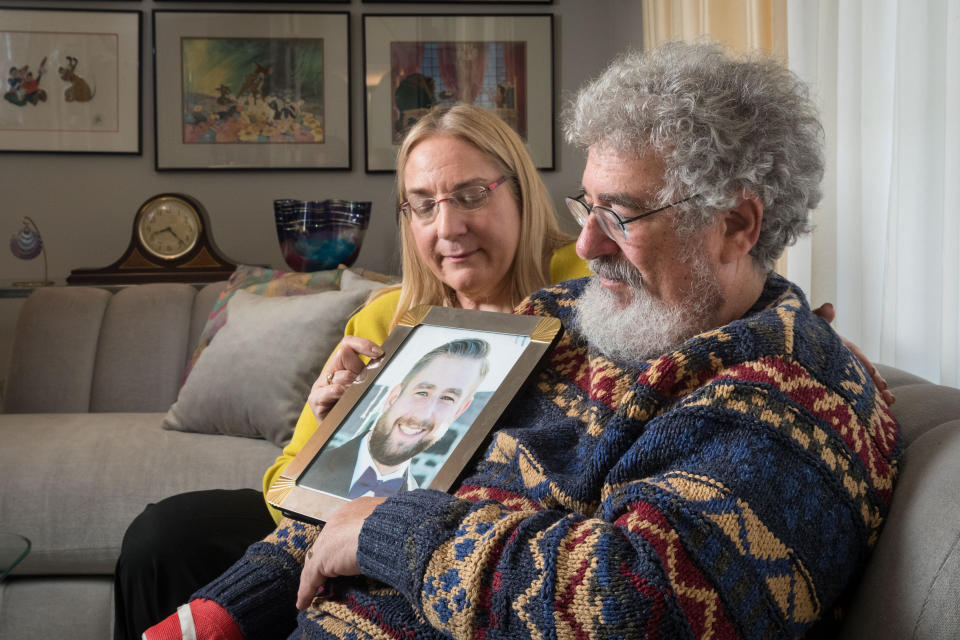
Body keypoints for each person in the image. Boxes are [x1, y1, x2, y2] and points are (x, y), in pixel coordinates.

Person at [144, 42, 901, 640]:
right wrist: (221, 612)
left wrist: (388, 535)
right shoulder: (561, 318)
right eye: (587, 204)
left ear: (738, 224)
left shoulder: (793, 400)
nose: (588, 241)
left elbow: (636, 604)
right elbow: (365, 495)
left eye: (623, 214)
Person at [113, 103, 590, 640]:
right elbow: (283, 488)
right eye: (423, 206)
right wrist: (331, 437)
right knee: (164, 537)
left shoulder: (591, 283)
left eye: (471, 195)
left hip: (472, 534)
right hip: (346, 519)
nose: (448, 227)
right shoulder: (389, 317)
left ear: (520, 192)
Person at [299, 338, 490, 499]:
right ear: (393, 396)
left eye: (448, 399)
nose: (423, 414)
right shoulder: (308, 470)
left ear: (459, 411)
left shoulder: (425, 505)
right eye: (422, 392)